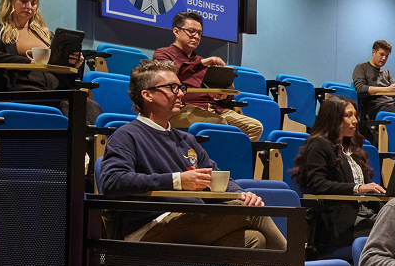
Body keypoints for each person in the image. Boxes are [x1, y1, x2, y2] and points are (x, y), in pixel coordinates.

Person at [98, 61, 286, 248]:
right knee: (252, 213)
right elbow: (113, 180)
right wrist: (177, 180)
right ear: (147, 95)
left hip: (192, 219)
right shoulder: (125, 135)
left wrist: (241, 195)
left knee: (253, 239)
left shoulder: (186, 139)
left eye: (180, 87)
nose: (180, 93)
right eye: (172, 88)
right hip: (151, 226)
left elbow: (214, 175)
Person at [0, 0, 101, 121]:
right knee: (64, 107)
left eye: (33, 3)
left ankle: (95, 142)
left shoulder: (46, 35)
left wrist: (74, 63)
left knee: (91, 107)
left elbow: (58, 67)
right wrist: (27, 62)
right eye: (24, 1)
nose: (29, 7)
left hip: (53, 88)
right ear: (10, 1)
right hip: (21, 88)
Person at [291, 94, 386, 257]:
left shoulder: (353, 150)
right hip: (340, 222)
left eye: (355, 115)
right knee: (392, 235)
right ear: (334, 118)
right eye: (349, 115)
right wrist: (357, 188)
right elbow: (318, 184)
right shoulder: (319, 145)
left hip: (365, 214)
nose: (355, 121)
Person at [153, 11, 262, 140]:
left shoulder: (201, 60)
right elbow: (175, 74)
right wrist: (202, 64)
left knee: (254, 126)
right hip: (182, 109)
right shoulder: (162, 54)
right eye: (191, 31)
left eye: (199, 33)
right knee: (220, 125)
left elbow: (227, 95)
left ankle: (230, 158)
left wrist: (224, 96)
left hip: (213, 108)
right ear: (176, 31)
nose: (196, 36)